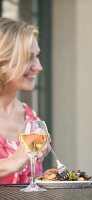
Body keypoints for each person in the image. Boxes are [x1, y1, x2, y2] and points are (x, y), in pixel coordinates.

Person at [0, 17, 51, 184]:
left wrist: (48, 179)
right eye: (28, 57)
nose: (38, 66)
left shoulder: (30, 117)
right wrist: (14, 161)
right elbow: (17, 161)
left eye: (37, 56)